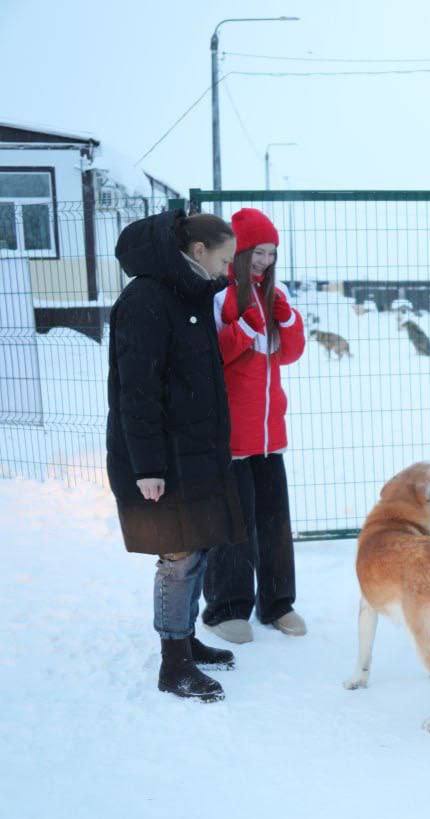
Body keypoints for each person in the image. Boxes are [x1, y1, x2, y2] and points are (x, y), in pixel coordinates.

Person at [106, 209, 244, 702]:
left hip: (195, 452)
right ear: (199, 251)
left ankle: (185, 641)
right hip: (161, 461)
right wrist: (147, 468)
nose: (229, 272)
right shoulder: (145, 299)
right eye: (225, 260)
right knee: (177, 557)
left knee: (196, 546)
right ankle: (174, 663)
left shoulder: (188, 293)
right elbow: (136, 392)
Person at [201, 208, 307, 644]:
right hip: (232, 436)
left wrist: (285, 317)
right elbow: (212, 358)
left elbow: (288, 354)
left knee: (275, 525)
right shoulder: (219, 295)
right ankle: (226, 608)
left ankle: (278, 604)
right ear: (239, 252)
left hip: (269, 435)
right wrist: (243, 327)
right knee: (234, 526)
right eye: (257, 252)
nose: (264, 260)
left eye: (271, 252)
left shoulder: (273, 292)